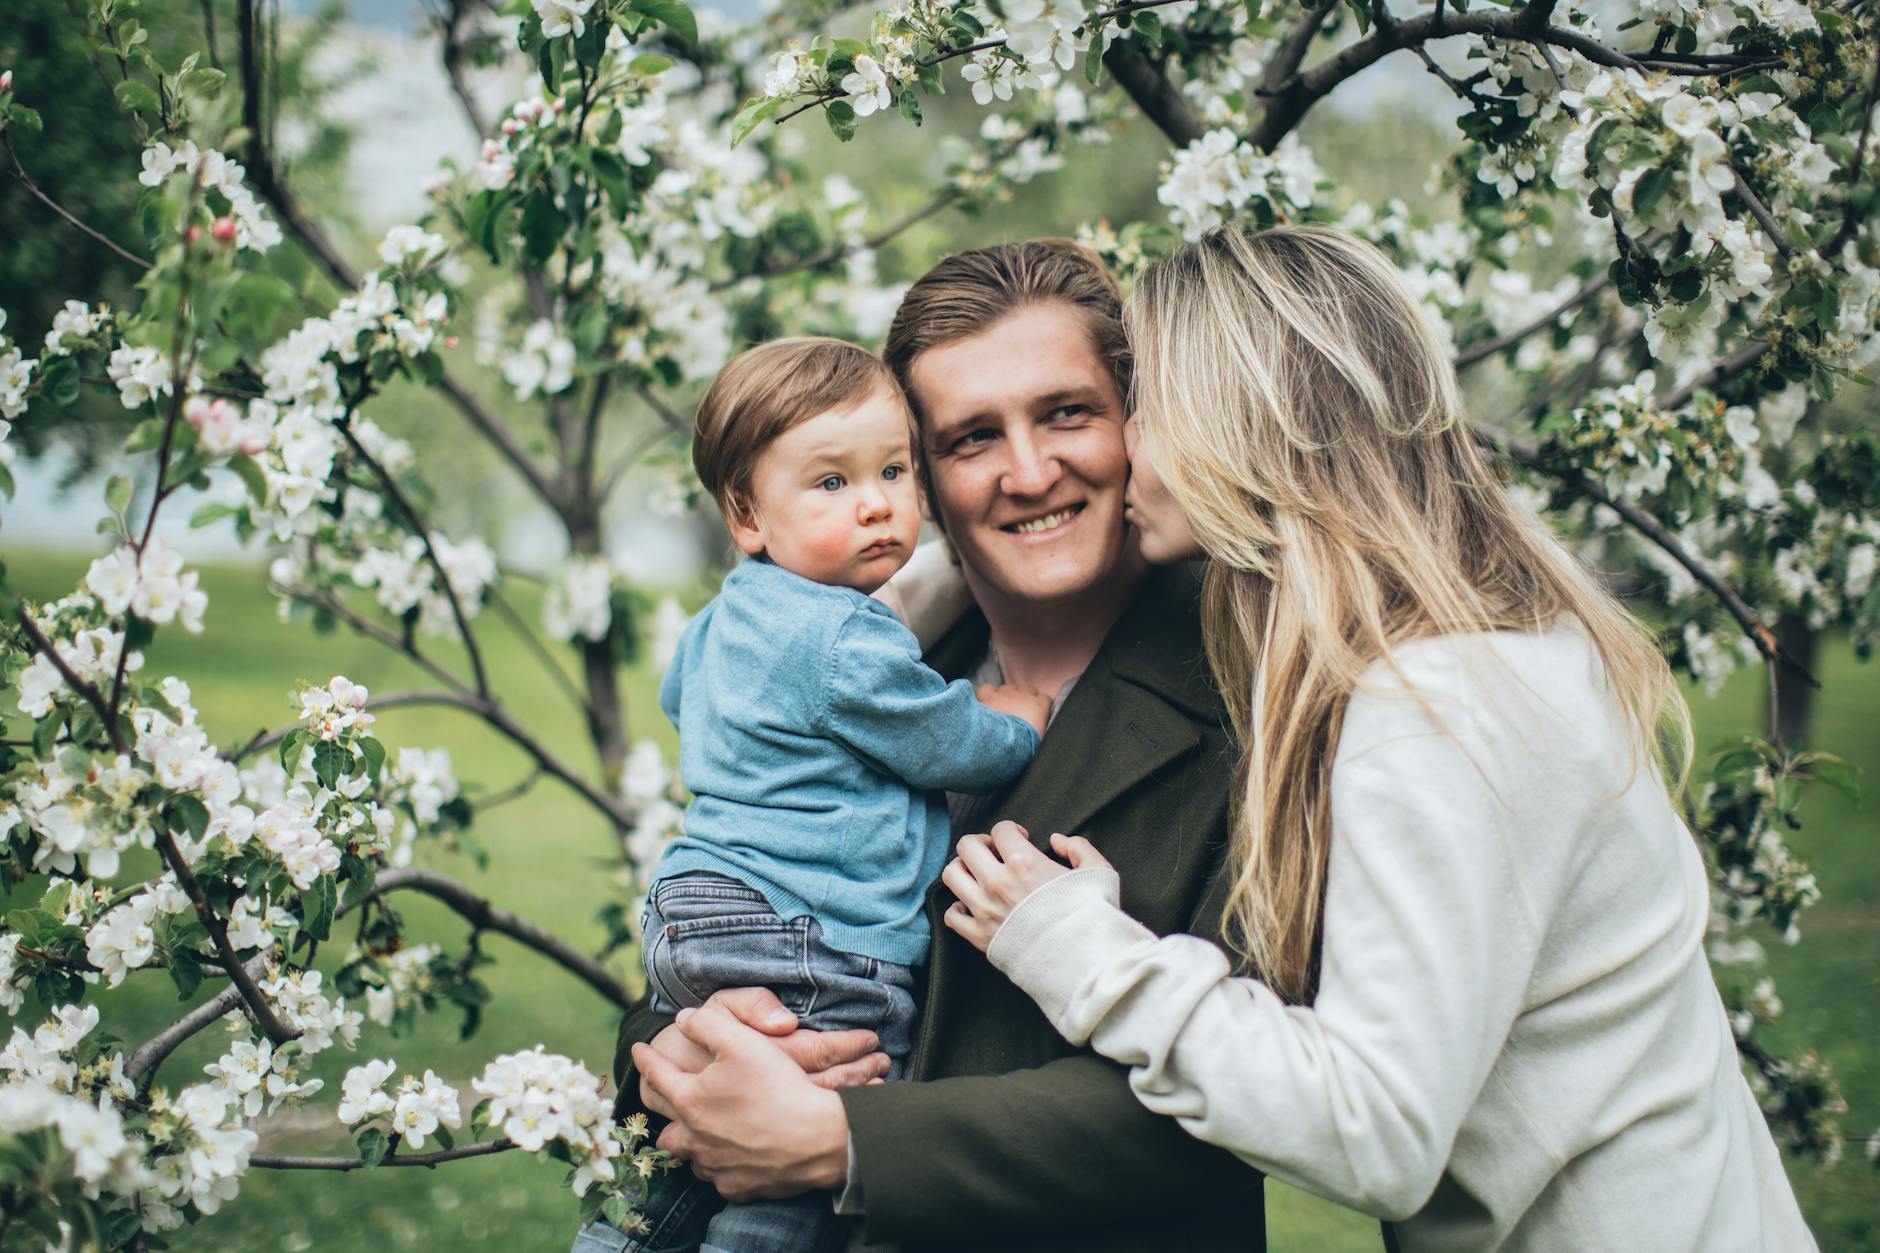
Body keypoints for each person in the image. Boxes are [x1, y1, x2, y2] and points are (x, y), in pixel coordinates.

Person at [940, 224, 1818, 1252]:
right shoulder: (1477, 653)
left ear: (1240, 424)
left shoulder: (1435, 715)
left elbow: (1375, 1128)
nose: (1124, 445)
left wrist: (1078, 946)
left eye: (1148, 409)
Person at [606, 241, 1271, 1253]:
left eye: (1065, 412)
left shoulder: (1257, 689)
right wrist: (688, 1043)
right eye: (967, 438)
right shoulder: (863, 653)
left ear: (1135, 424)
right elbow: (733, 906)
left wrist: (849, 1138)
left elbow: (1263, 1096)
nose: (1028, 471)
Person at [586, 336, 1049, 1253]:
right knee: (808, 1129)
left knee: (686, 1149)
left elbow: (684, 699)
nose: (877, 502)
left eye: (893, 468)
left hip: (694, 912)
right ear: (748, 514)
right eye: (831, 483)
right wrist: (1018, 717)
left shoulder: (722, 618)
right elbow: (940, 739)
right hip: (811, 932)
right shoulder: (847, 634)